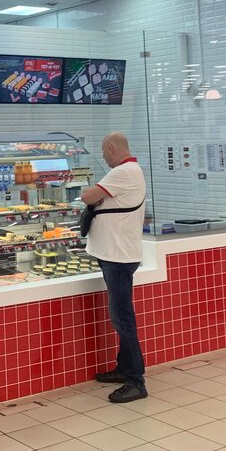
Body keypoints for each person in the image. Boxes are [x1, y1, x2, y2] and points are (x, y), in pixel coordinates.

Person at [81, 132, 148, 403]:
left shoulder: (123, 172)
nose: (103, 156)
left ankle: (135, 382)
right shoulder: (130, 172)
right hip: (117, 253)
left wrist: (93, 197)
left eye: (103, 151)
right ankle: (124, 368)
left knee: (122, 317)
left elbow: (88, 196)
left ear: (110, 148)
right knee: (121, 315)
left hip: (118, 256)